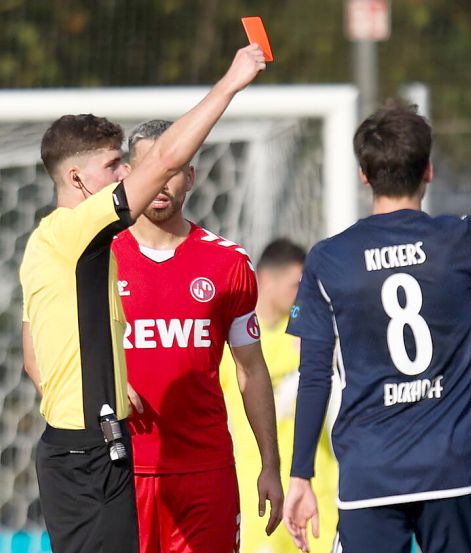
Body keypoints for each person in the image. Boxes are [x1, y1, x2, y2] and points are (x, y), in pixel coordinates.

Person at [282, 101, 471, 553]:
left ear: (364, 174)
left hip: (370, 474)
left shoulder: (329, 258)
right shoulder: (464, 239)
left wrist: (301, 474)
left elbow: (315, 377)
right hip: (452, 469)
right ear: (429, 170)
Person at [18, 45, 266, 553]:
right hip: (89, 452)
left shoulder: (65, 244)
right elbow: (167, 159)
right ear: (77, 178)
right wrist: (230, 84)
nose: (125, 176)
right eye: (115, 165)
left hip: (115, 452)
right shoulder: (79, 233)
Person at [114, 119, 283, 553]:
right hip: (121, 470)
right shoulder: (100, 259)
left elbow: (251, 370)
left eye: (173, 168)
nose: (162, 180)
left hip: (205, 474)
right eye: (151, 167)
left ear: (190, 177)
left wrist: (270, 464)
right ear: (130, 175)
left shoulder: (227, 264)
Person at [220, 238, 339, 553]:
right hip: (257, 496)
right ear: (266, 280)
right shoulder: (229, 346)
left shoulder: (312, 335)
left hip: (315, 493)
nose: (301, 292)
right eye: (295, 283)